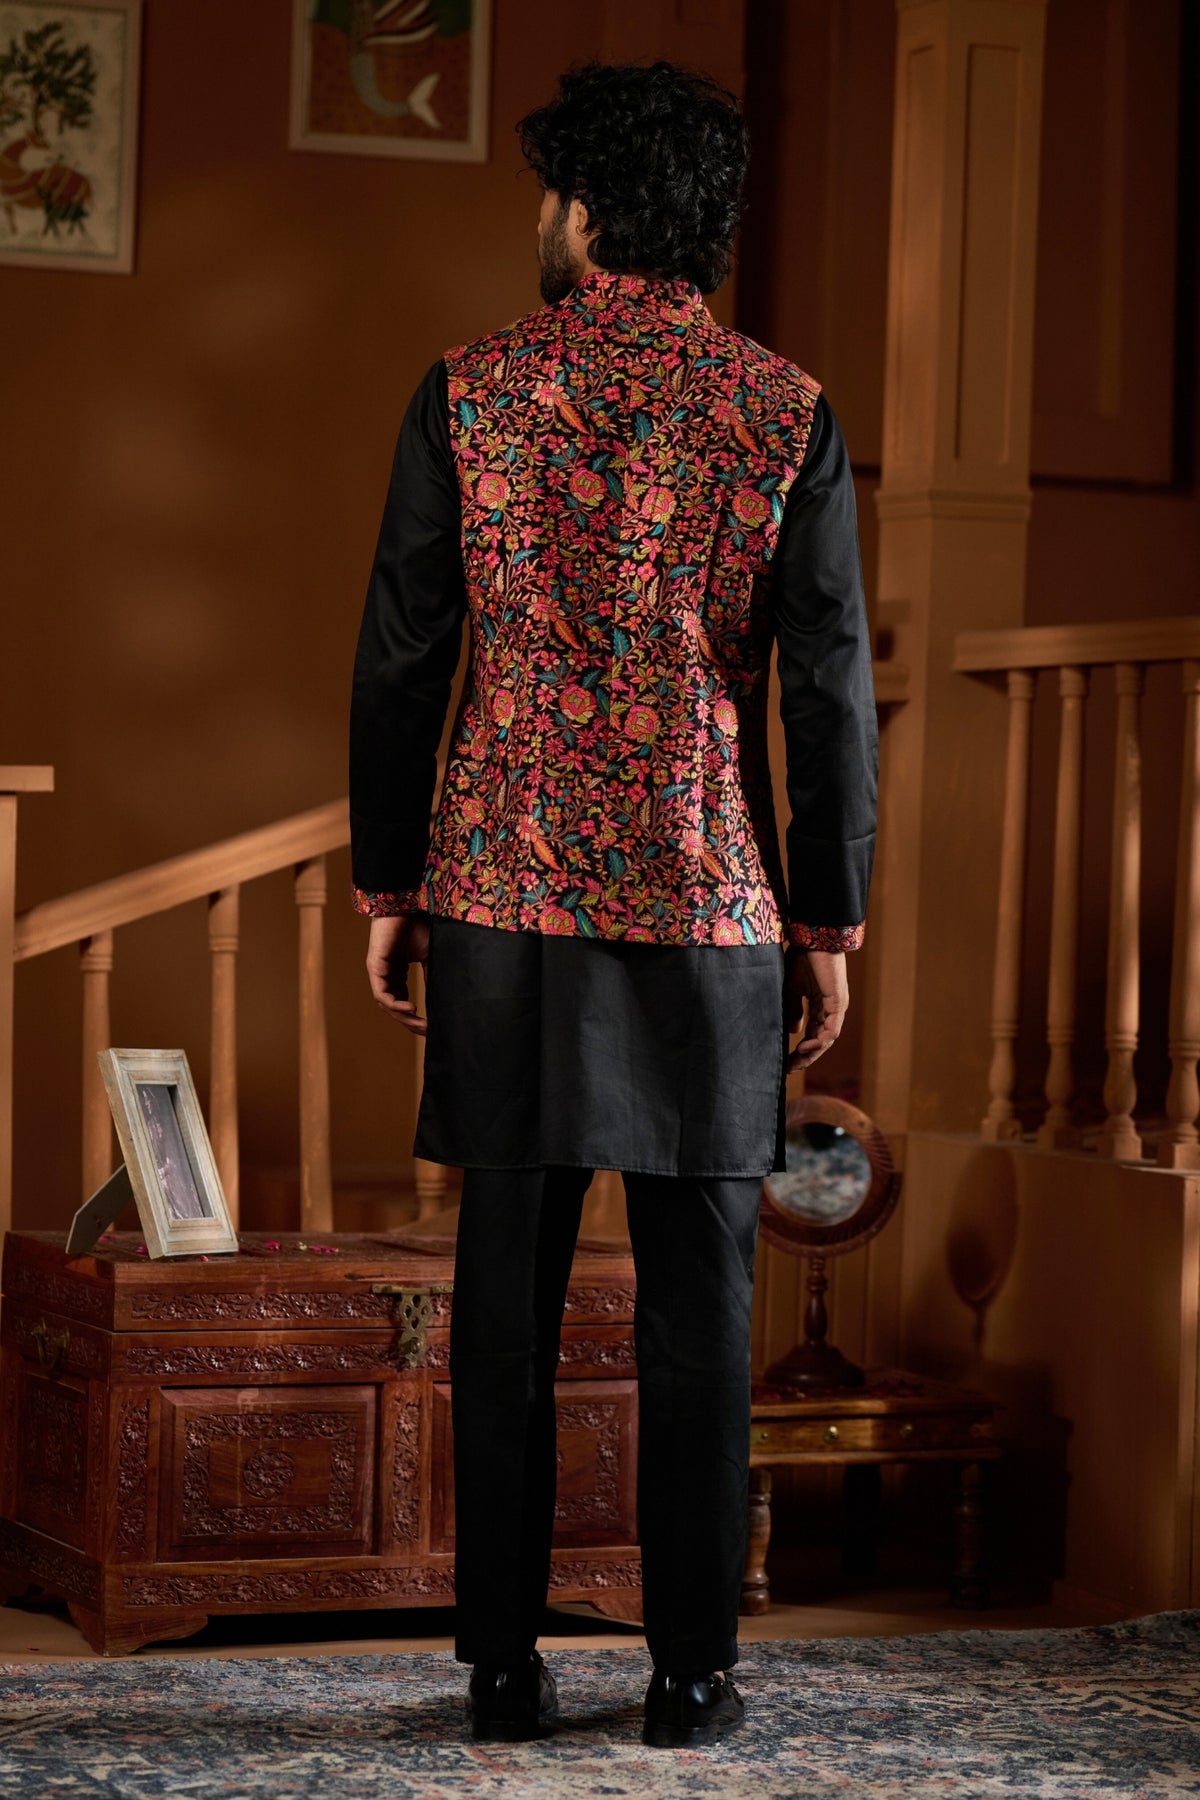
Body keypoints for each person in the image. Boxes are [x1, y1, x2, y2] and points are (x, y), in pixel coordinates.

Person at [348, 57, 878, 1749]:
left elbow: (404, 649)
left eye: (548, 193)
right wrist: (829, 919)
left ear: (584, 210)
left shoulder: (471, 392)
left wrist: (390, 881)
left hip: (501, 892)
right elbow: (827, 688)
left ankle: (504, 1669)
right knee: (700, 1314)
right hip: (709, 907)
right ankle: (689, 1676)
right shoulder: (784, 411)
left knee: (504, 1301)